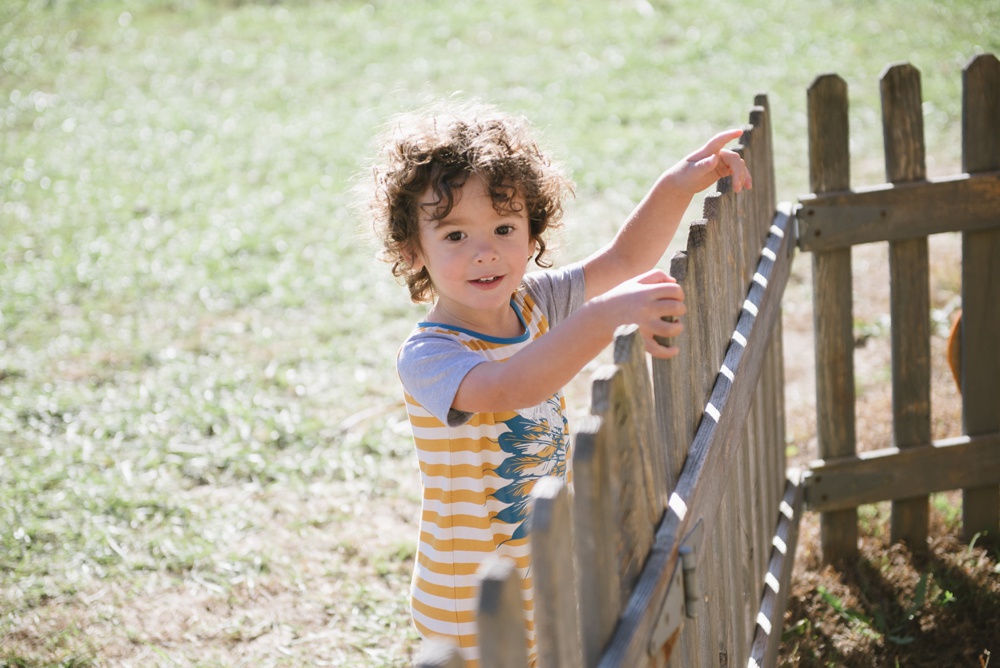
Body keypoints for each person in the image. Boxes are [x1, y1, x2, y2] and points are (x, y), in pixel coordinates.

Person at [366, 101, 751, 666]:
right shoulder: (429, 354)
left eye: (504, 228)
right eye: (454, 236)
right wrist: (602, 317)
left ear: (532, 231)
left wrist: (678, 184)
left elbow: (625, 258)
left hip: (540, 567)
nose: (485, 251)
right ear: (412, 249)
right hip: (467, 590)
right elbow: (506, 389)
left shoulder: (536, 303)